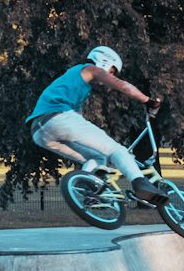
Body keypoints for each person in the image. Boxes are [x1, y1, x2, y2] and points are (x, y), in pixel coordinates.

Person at [26, 45, 171, 205]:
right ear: (104, 61)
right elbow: (124, 87)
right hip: (58, 118)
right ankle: (140, 183)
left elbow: (77, 121)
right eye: (112, 71)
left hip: (39, 132)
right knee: (117, 150)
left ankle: (90, 191)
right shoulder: (91, 69)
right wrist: (149, 102)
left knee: (98, 156)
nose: (110, 76)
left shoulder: (75, 81)